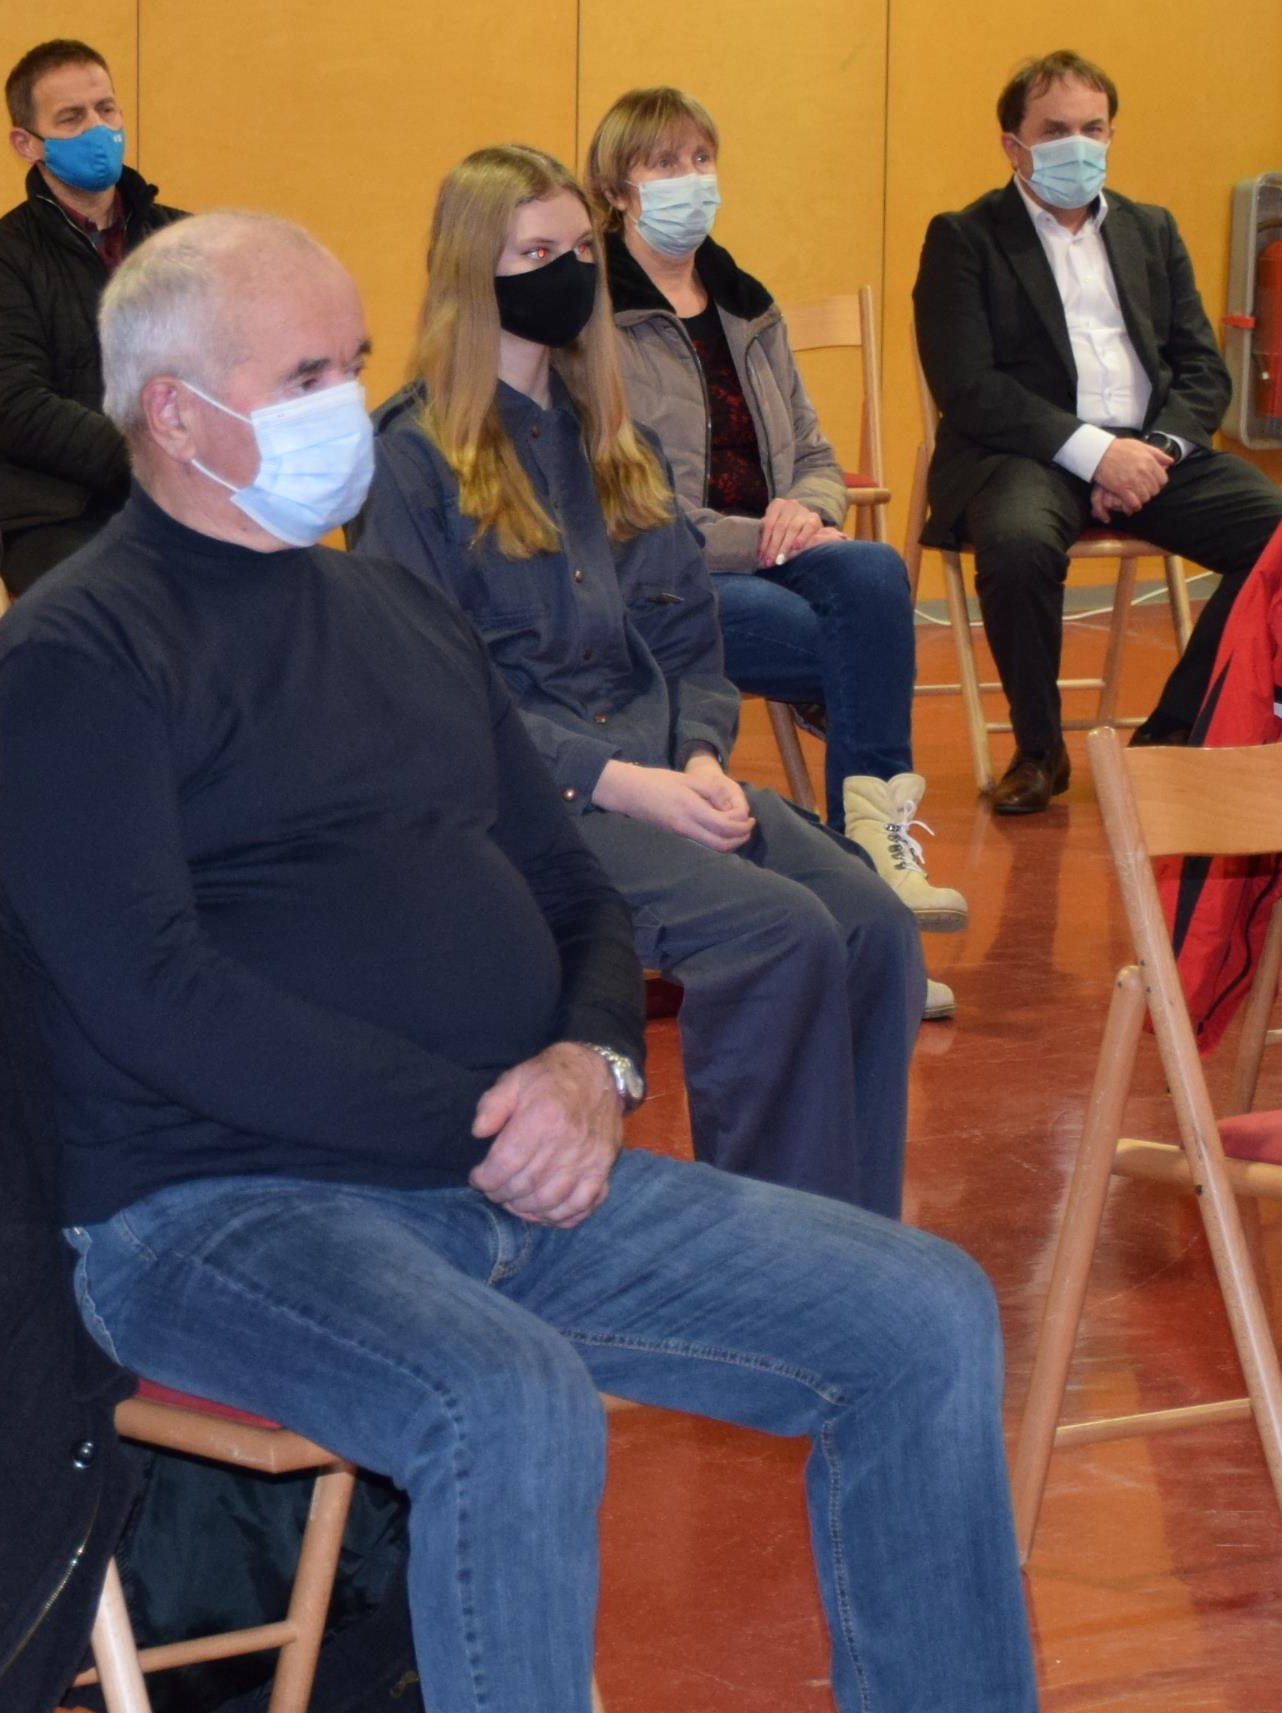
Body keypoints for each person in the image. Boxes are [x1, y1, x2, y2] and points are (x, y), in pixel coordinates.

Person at [0, 212, 1162, 1713]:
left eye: (351, 361)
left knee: (916, 1311)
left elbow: (569, 888)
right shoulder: (77, 657)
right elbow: (143, 995)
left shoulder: (388, 614)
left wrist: (593, 1062)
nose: (351, 403)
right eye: (306, 377)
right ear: (176, 415)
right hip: (216, 1211)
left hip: (505, 1159)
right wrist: (474, 1114)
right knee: (506, 1400)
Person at [357, 143, 928, 1202]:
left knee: (875, 927)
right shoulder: (408, 460)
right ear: (474, 273)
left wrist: (701, 755)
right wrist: (622, 782)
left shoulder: (617, 443)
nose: (571, 273)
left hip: (661, 774)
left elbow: (686, 641)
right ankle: (777, 1243)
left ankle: (856, 1240)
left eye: (583, 249)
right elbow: (437, 701)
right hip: (525, 802)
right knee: (776, 935)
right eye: (538, 254)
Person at [591, 82, 959, 925]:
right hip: (667, 576)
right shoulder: (596, 320)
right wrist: (768, 535)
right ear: (617, 190)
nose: (692, 179)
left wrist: (808, 510)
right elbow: (628, 502)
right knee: (852, 641)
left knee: (874, 572)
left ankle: (872, 853)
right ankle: (866, 879)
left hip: (777, 549)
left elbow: (816, 455)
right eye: (664, 164)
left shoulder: (748, 305)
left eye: (701, 159)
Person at [912, 50, 1282, 814]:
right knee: (1016, 543)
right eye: (1055, 130)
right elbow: (970, 387)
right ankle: (1040, 751)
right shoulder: (964, 238)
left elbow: (1202, 369)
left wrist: (1154, 453)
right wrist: (1097, 456)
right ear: (1013, 145)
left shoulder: (1152, 229)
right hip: (1028, 452)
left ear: (1113, 134)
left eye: (1093, 128)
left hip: (1154, 450)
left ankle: (1172, 731)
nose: (1077, 146)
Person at [0, 38, 182, 598]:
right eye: (72, 118)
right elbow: (14, 406)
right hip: (55, 512)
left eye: (106, 109)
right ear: (26, 143)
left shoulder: (184, 242)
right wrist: (145, 453)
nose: (97, 129)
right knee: (129, 608)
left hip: (183, 494)